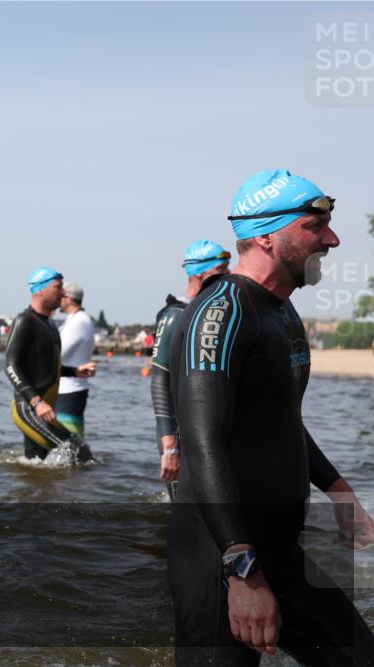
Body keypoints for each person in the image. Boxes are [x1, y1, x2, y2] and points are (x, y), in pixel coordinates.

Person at [168, 169, 374, 665]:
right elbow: (203, 444)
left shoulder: (282, 311)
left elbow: (280, 421)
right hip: (223, 563)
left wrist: (339, 491)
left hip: (279, 555)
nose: (332, 238)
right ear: (265, 235)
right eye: (314, 226)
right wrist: (241, 570)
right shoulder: (220, 313)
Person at [150, 240, 230, 499]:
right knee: (183, 512)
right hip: (179, 434)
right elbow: (160, 377)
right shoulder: (175, 313)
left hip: (208, 432)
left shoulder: (211, 312)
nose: (229, 273)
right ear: (199, 273)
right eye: (222, 268)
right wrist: (169, 446)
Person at [5, 267, 96, 462]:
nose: (62, 293)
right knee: (80, 454)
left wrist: (75, 371)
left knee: (35, 464)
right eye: (58, 287)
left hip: (44, 408)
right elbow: (11, 366)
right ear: (40, 290)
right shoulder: (25, 321)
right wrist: (36, 402)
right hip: (30, 409)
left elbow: (48, 367)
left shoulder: (50, 323)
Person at [55, 282, 95, 438]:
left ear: (69, 298)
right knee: (64, 443)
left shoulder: (79, 321)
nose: (58, 298)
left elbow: (58, 353)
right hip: (66, 387)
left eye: (61, 295)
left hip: (70, 389)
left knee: (69, 444)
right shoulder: (73, 319)